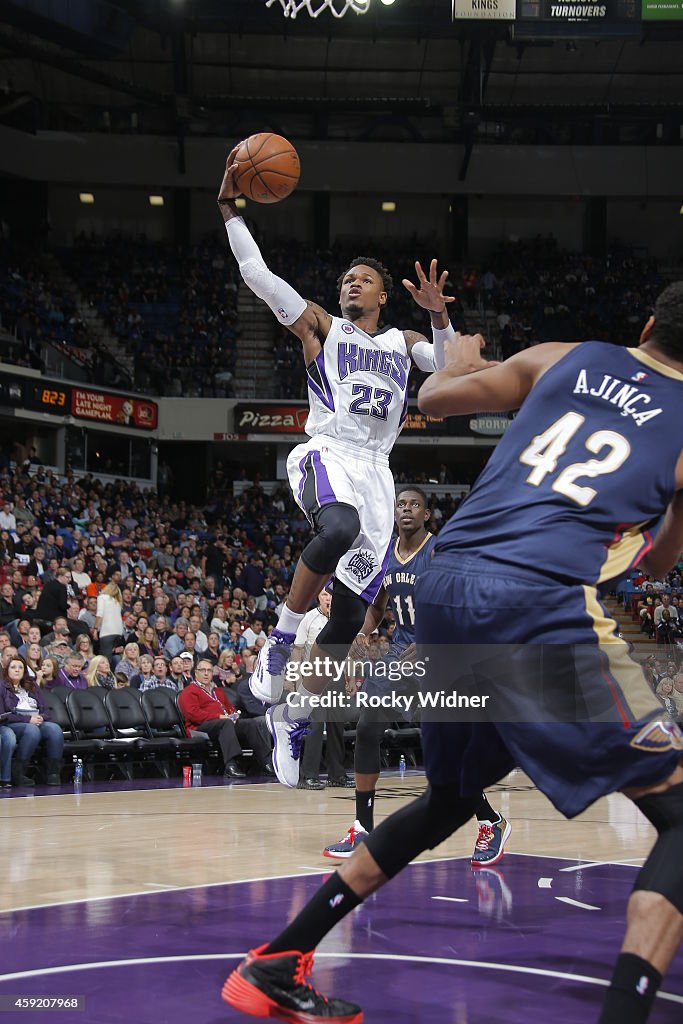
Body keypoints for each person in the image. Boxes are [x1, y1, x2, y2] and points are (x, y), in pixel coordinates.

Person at [222, 283, 683, 1024]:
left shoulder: (564, 356)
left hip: (443, 585)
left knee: (446, 799)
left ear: (648, 322)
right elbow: (658, 565)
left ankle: (276, 960)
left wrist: (450, 353)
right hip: (534, 601)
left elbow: (432, 398)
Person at [218, 147, 458, 787]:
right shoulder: (322, 328)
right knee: (336, 529)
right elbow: (259, 276)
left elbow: (448, 361)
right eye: (346, 277)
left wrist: (437, 312)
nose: (351, 283)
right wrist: (229, 211)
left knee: (352, 614)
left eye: (363, 279)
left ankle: (295, 711)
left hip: (378, 469)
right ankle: (278, 643)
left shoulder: (402, 344)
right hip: (326, 453)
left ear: (383, 295)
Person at [323, 487, 510, 865]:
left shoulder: (439, 552)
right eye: (401, 504)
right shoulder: (385, 555)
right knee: (367, 727)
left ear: (426, 514)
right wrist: (362, 631)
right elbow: (377, 606)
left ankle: (490, 820)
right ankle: (362, 828)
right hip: (399, 653)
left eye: (414, 505)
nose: (406, 509)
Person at [290, 586, 352, 792]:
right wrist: (297, 679)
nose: (328, 598)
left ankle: (336, 774)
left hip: (336, 679)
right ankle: (308, 775)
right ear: (318, 596)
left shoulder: (342, 620)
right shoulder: (308, 619)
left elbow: (348, 652)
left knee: (336, 727)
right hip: (313, 678)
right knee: (315, 727)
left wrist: (349, 678)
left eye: (332, 595)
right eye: (325, 594)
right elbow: (297, 650)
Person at [178, 658, 274, 778]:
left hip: (223, 724)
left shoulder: (217, 691)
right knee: (225, 723)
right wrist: (219, 716)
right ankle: (231, 765)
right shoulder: (189, 691)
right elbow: (193, 715)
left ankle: (266, 763)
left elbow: (230, 708)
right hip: (199, 728)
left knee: (250, 723)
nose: (206, 673)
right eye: (203, 670)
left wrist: (234, 714)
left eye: (209, 670)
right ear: (196, 673)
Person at [0, 656, 64, 786]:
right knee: (32, 730)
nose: (17, 670)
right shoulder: (2, 687)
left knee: (54, 729)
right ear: (7, 670)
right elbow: (2, 714)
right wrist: (28, 719)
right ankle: (19, 772)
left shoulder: (32, 685)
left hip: (35, 720)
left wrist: (42, 717)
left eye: (20, 667)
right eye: (13, 667)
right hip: (13, 723)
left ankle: (53, 773)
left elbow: (46, 709)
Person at [94, 582, 124, 661]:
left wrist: (95, 629)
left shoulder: (102, 597)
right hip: (119, 633)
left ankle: (106, 673)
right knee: (113, 657)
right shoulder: (117, 602)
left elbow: (100, 613)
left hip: (107, 632)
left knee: (105, 658)